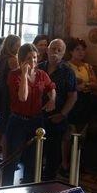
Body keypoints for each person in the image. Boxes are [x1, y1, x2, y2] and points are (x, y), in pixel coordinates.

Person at [1, 43, 56, 186]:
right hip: (18, 121)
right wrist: (25, 75)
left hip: (36, 121)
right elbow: (23, 97)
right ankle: (5, 191)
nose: (33, 61)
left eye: (35, 57)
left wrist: (52, 99)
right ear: (21, 60)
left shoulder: (42, 74)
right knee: (12, 160)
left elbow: (51, 87)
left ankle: (28, 189)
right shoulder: (14, 75)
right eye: (28, 58)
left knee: (33, 161)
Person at [39, 39, 77, 180]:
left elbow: (72, 96)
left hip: (56, 117)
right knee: (35, 149)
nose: (55, 52)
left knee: (53, 152)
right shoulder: (39, 68)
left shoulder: (68, 72)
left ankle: (48, 179)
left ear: (63, 53)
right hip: (38, 115)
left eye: (59, 50)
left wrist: (62, 114)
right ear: (47, 50)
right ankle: (33, 177)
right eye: (53, 48)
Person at [0, 34, 21, 164]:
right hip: (9, 94)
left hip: (1, 92)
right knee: (7, 128)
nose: (19, 47)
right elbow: (18, 76)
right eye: (17, 45)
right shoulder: (12, 59)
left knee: (0, 126)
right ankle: (6, 158)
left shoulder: (0, 57)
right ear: (11, 45)